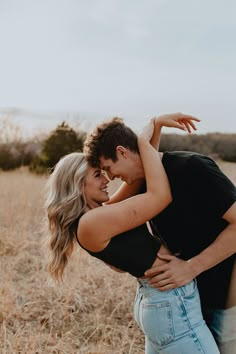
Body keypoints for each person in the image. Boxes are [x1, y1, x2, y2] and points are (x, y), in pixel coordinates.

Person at [45, 114, 219, 354]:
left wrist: (155, 127)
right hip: (170, 302)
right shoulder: (92, 223)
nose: (107, 179)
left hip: (159, 301)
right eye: (97, 175)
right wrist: (144, 142)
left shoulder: (99, 215)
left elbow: (142, 174)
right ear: (78, 185)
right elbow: (160, 196)